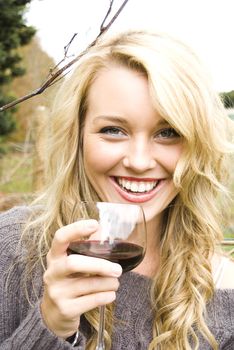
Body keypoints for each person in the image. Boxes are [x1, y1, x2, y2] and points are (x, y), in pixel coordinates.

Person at [0, 30, 234, 350]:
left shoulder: (225, 292)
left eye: (168, 132)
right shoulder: (15, 249)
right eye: (113, 130)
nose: (138, 162)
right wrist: (51, 328)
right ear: (78, 135)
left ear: (199, 144)